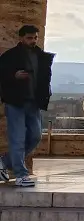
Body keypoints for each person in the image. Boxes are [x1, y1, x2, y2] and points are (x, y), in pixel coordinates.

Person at [0, 25, 54, 188]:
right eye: (30, 38)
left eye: (35, 37)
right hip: (15, 102)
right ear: (21, 38)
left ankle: (4, 161)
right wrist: (13, 76)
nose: (33, 41)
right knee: (17, 139)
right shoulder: (10, 56)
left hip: (33, 103)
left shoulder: (41, 57)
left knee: (36, 136)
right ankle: (20, 175)